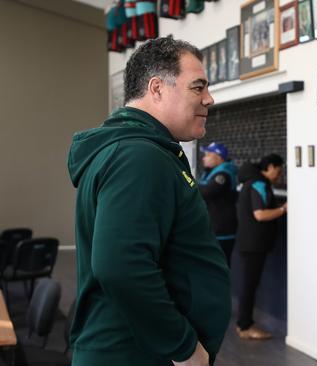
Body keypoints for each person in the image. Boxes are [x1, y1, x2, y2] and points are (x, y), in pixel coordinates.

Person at [67, 37, 230, 366]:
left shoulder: (140, 151)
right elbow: (120, 265)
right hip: (136, 353)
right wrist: (183, 348)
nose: (209, 99)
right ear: (157, 88)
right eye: (197, 87)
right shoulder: (138, 156)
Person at [235, 153, 287, 339]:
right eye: (278, 171)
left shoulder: (250, 182)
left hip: (248, 242)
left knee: (248, 284)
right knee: (250, 285)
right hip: (254, 244)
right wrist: (283, 209)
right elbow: (260, 215)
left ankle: (243, 324)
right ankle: (245, 326)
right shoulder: (259, 183)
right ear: (270, 167)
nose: (279, 176)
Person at [198, 142, 238, 266]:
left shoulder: (223, 174)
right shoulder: (210, 172)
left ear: (219, 157)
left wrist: (187, 181)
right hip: (212, 229)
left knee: (220, 267)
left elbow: (205, 192)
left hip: (222, 231)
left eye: (208, 155)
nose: (204, 158)